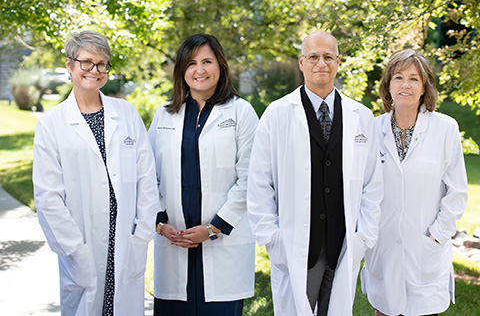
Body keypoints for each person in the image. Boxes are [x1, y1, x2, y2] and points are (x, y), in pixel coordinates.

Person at [247, 30, 383, 316]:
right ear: (301, 62)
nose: (321, 63)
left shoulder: (361, 116)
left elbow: (372, 183)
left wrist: (364, 237)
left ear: (338, 61)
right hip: (295, 246)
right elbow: (260, 182)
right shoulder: (277, 114)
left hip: (342, 243)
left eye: (328, 56)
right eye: (313, 57)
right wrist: (272, 238)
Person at [33, 30, 159, 316]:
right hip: (82, 246)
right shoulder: (52, 124)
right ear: (69, 65)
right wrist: (75, 251)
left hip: (127, 240)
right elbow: (48, 197)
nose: (95, 71)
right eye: (86, 62)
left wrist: (141, 235)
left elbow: (146, 180)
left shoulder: (126, 113)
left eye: (102, 64)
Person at [149, 33, 258, 316]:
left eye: (207, 61)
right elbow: (148, 176)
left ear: (220, 66)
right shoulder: (163, 115)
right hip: (175, 240)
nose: (200, 70)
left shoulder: (241, 113)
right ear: (181, 70)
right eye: (191, 63)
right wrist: (160, 224)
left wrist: (211, 230)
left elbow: (250, 179)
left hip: (223, 245)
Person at [360, 49, 468, 316]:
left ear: (424, 88)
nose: (405, 85)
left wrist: (438, 235)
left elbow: (457, 192)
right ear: (387, 85)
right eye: (398, 77)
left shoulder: (445, 129)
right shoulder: (372, 130)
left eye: (414, 79)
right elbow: (361, 189)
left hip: (425, 251)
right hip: (383, 250)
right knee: (384, 309)